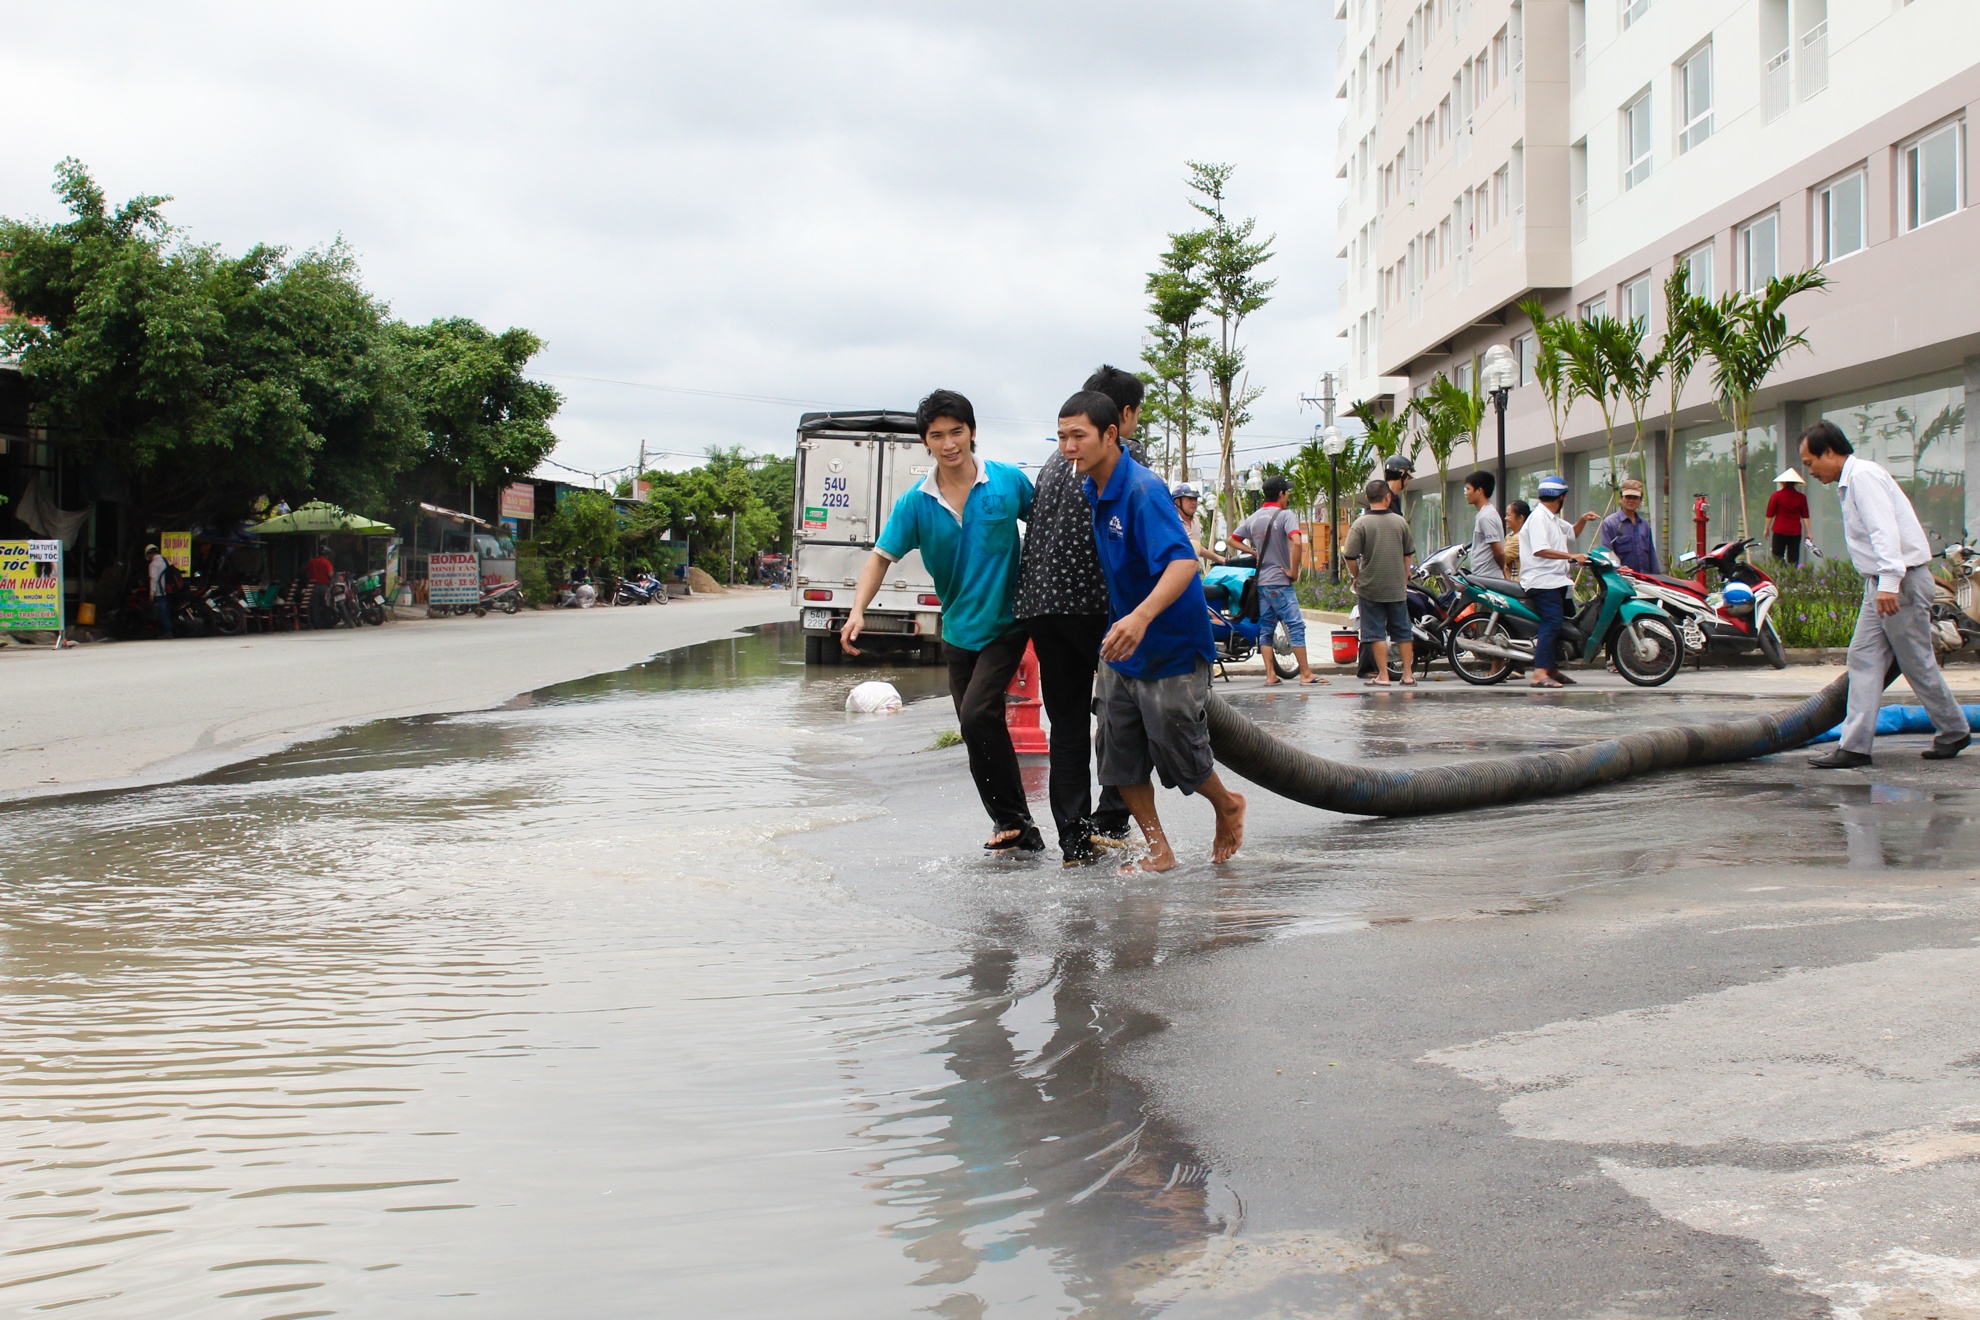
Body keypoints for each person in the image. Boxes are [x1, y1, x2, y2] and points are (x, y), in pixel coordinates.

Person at [844, 388, 1046, 849]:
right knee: (976, 728)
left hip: (1008, 623)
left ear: (972, 432)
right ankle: (1014, 824)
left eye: (957, 431)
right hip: (957, 629)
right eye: (938, 435)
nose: (950, 442)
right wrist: (858, 610)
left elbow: (1048, 528)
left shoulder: (1008, 481)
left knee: (978, 715)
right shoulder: (916, 503)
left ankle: (1013, 820)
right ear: (926, 443)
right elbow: (879, 558)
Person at [1060, 389, 1247, 872]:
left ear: (1110, 434)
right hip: (1123, 644)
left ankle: (1227, 804)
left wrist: (1141, 617)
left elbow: (1183, 562)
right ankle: (1158, 848)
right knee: (1117, 752)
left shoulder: (1143, 490)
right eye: (1061, 437)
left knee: (1179, 749)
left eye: (1078, 435)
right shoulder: (1092, 487)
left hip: (1169, 644)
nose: (1068, 447)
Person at [1014, 365, 1143, 864]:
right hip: (1098, 609)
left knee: (1066, 724)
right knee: (1122, 717)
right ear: (1121, 416)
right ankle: (1111, 821)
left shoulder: (1054, 459)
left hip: (1042, 610)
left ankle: (1073, 839)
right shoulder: (1119, 458)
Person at [1799, 421, 1970, 767]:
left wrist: (1889, 583)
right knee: (1863, 659)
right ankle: (1855, 746)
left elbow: (1884, 532)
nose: (1811, 471)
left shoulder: (1863, 477)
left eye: (1810, 462)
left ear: (1829, 452)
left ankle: (1953, 729)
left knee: (1916, 662)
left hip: (1898, 581)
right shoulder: (1850, 482)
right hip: (1880, 583)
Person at [1230, 475, 1321, 685]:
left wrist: (1254, 552)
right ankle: (1305, 674)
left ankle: (1271, 675)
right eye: (1287, 492)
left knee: (1267, 627)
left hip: (1262, 582)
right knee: (1295, 625)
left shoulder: (1254, 517)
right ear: (1281, 494)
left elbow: (1232, 540)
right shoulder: (1285, 516)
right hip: (1280, 581)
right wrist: (1293, 571)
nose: (1288, 495)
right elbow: (1297, 543)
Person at [1520, 476, 1600, 688]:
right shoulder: (1538, 518)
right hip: (1542, 581)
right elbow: (1540, 549)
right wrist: (1571, 556)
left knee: (1564, 625)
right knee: (1552, 623)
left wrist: (1583, 520)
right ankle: (1538, 673)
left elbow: (1572, 533)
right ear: (1562, 497)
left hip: (1557, 581)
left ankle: (1551, 669)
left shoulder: (1552, 518)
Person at [1341, 480, 1417, 688]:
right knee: (1403, 631)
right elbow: (1408, 554)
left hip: (1370, 587)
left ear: (1367, 499)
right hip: (1395, 587)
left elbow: (1349, 555)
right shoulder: (1400, 522)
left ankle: (1383, 675)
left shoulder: (1361, 524)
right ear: (1388, 497)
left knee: (1375, 633)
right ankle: (1408, 675)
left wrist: (1357, 575)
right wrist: (1403, 577)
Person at [1596, 478, 1658, 573]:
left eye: (1635, 498)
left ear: (1640, 500)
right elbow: (1606, 553)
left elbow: (1651, 555)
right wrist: (1619, 568)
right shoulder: (1610, 523)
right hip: (1622, 579)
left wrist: (1657, 578)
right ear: (1621, 499)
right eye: (1628, 497)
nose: (1631, 501)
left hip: (1644, 581)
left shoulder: (1644, 524)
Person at [1171, 483, 1225, 570]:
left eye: (1195, 499)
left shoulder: (1196, 520)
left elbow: (1197, 547)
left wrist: (1218, 558)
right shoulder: (1171, 521)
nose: (1193, 503)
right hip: (1175, 572)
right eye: (1189, 499)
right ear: (1177, 502)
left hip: (1193, 571)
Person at [1463, 470, 1506, 575]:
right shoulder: (1485, 513)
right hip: (1483, 575)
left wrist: (1503, 571)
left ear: (1479, 491)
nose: (1466, 493)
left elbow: (1499, 551)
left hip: (1488, 577)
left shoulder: (1486, 516)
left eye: (1468, 489)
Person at [1766, 468, 1810, 565]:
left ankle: (1782, 571)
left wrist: (1766, 528)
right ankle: (1791, 576)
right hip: (1795, 531)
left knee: (1777, 556)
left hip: (1780, 530)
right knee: (1793, 557)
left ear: (1783, 483)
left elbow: (1770, 514)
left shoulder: (1777, 495)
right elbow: (1805, 516)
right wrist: (1809, 533)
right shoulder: (1801, 497)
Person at [144, 544, 173, 638]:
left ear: (149, 554)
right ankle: (168, 630)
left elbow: (153, 579)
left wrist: (151, 593)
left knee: (162, 612)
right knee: (167, 611)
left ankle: (167, 631)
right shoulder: (165, 560)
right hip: (168, 591)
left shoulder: (153, 564)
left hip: (159, 592)